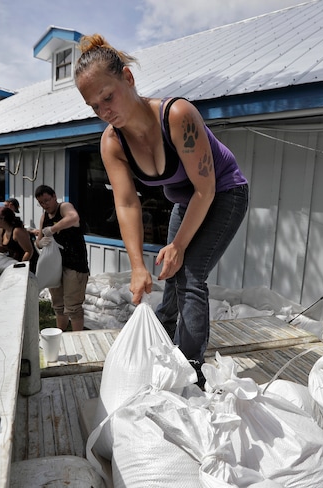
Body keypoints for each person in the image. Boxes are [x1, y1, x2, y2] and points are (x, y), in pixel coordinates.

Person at [74, 34, 249, 386]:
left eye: (108, 96)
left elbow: (207, 188)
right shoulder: (112, 142)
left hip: (225, 193)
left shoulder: (177, 115)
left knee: (189, 276)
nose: (105, 110)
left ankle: (191, 371)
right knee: (168, 274)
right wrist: (137, 266)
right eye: (95, 106)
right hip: (187, 203)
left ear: (128, 78)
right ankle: (164, 344)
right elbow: (126, 203)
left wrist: (180, 245)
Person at [35, 185, 90, 332]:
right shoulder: (44, 217)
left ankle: (78, 338)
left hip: (75, 264)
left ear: (54, 197)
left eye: (47, 201)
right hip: (55, 266)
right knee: (58, 305)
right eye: (41, 203)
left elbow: (73, 218)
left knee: (73, 306)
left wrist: (53, 229)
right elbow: (38, 241)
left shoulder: (64, 207)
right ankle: (60, 334)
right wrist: (40, 243)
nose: (45, 205)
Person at [0, 206, 38, 296]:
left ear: (4, 219)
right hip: (13, 260)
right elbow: (7, 249)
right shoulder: (3, 231)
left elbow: (29, 251)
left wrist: (21, 267)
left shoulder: (18, 231)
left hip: (27, 261)